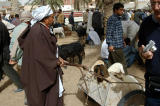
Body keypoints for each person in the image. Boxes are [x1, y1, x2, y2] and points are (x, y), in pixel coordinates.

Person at [18, 5, 65, 106]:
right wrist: (55, 61)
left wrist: (57, 57)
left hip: (39, 68)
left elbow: (46, 50)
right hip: (40, 70)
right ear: (46, 19)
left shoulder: (41, 28)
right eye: (52, 17)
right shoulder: (39, 31)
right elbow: (41, 54)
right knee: (43, 96)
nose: (53, 19)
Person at [138, 0, 160, 105]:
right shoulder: (146, 23)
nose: (155, 7)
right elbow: (140, 46)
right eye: (153, 3)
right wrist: (143, 53)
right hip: (153, 84)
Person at [0, 17, 23, 92]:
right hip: (5, 51)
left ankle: (21, 85)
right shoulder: (2, 24)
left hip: (3, 53)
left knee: (8, 70)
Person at [106, 3, 127, 74]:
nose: (122, 11)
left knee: (111, 64)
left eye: (123, 10)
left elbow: (117, 32)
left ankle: (110, 79)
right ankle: (125, 80)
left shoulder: (117, 18)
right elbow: (109, 33)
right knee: (122, 64)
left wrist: (123, 41)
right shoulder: (112, 19)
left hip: (118, 44)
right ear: (115, 10)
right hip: (115, 46)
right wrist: (110, 44)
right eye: (121, 10)